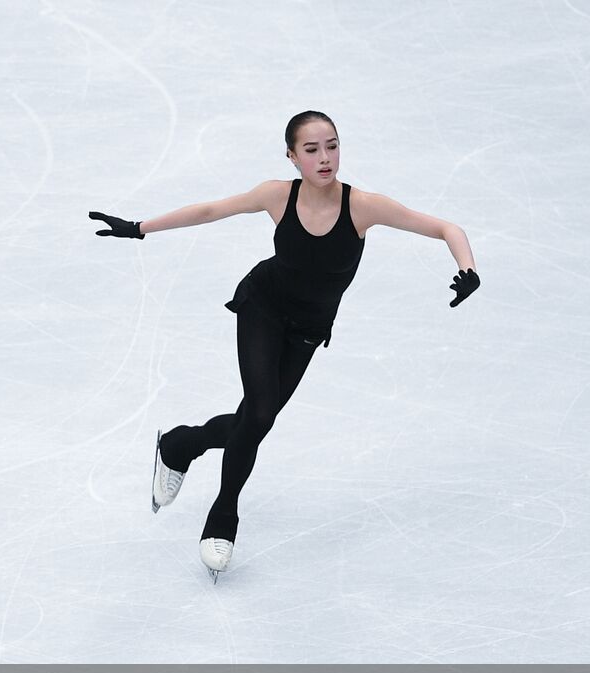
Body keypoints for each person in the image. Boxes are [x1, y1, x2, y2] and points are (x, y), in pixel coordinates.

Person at [89, 110, 480, 580]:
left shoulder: (364, 207)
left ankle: (180, 444)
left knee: (257, 417)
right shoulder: (277, 195)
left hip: (309, 329)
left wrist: (468, 269)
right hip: (264, 307)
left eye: (332, 146)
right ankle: (223, 517)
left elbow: (444, 228)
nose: (324, 158)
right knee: (257, 414)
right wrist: (140, 227)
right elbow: (213, 210)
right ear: (292, 157)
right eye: (311, 150)